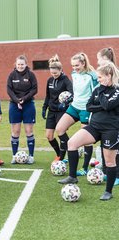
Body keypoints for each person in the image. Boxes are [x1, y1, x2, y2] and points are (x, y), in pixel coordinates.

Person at [58, 61, 119, 201]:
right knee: (72, 143)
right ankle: (72, 177)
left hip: (110, 129)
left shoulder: (116, 90)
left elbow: (108, 104)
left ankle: (108, 192)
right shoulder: (97, 89)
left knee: (109, 162)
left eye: (100, 77)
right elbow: (89, 106)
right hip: (94, 126)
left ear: (109, 76)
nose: (98, 80)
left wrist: (102, 96)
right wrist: (102, 103)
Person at [55, 52, 98, 176]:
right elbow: (77, 92)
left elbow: (96, 93)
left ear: (83, 63)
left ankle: (84, 168)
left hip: (86, 109)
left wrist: (92, 107)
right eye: (73, 65)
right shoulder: (74, 74)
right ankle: (72, 149)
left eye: (77, 65)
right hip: (74, 107)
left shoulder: (92, 76)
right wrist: (69, 99)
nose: (74, 68)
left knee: (86, 140)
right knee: (60, 129)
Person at [7, 55, 38, 164]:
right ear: (16, 64)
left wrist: (23, 100)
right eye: (18, 64)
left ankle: (31, 156)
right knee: (15, 131)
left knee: (29, 130)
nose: (20, 66)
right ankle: (14, 156)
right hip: (14, 105)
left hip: (28, 104)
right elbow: (9, 90)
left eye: (22, 64)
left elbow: (35, 89)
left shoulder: (31, 75)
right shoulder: (12, 75)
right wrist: (17, 101)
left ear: (26, 64)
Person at [42, 55, 73, 162]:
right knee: (49, 136)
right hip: (51, 111)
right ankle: (59, 154)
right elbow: (48, 95)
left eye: (55, 72)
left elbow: (71, 93)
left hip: (62, 111)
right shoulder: (50, 80)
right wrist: (44, 108)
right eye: (52, 72)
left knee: (61, 133)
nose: (54, 75)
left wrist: (65, 104)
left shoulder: (65, 80)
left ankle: (64, 156)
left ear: (61, 70)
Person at [97, 47, 119, 185]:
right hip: (103, 118)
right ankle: (106, 171)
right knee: (104, 144)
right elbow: (95, 101)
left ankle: (116, 174)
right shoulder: (100, 74)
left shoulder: (115, 76)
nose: (98, 61)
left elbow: (110, 102)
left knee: (115, 147)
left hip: (114, 118)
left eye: (100, 58)